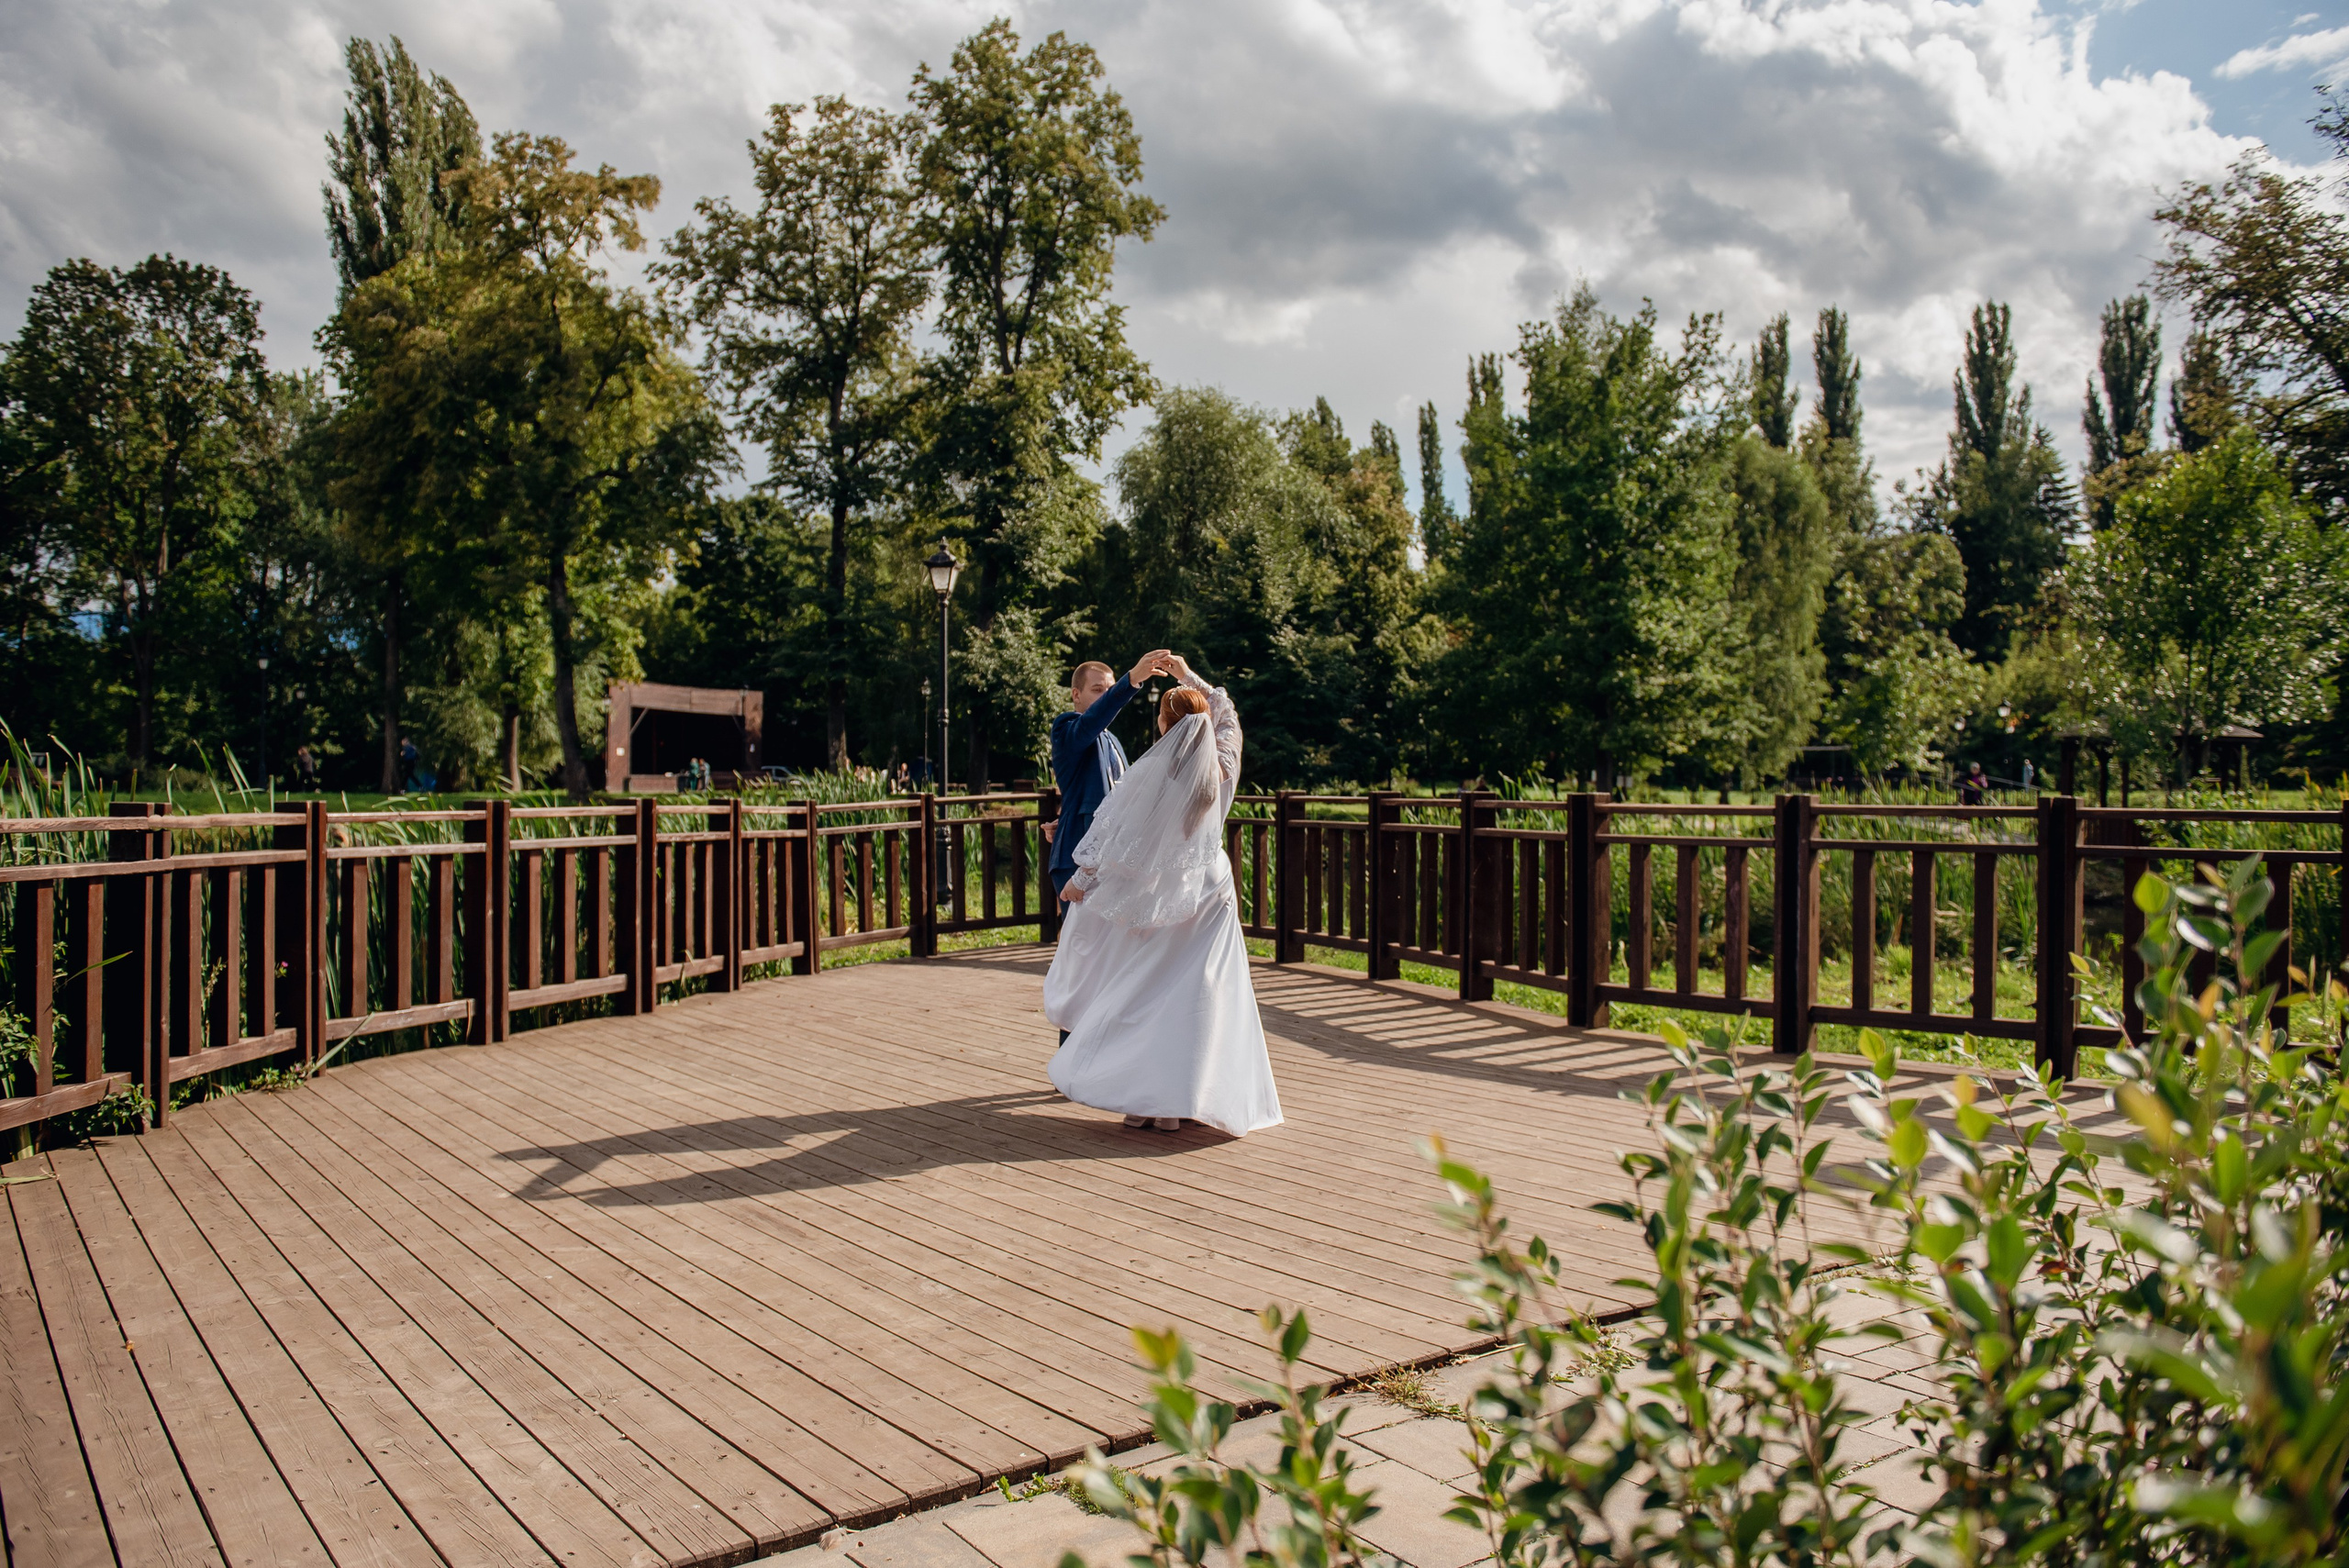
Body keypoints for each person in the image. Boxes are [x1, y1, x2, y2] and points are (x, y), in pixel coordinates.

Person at [1042, 655, 1282, 1138]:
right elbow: (1226, 709)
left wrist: (1079, 883)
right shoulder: (1224, 765)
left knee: (1151, 991)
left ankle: (1145, 1100)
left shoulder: (1151, 776)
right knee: (1200, 996)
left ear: (1167, 729)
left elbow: (1115, 840)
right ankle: (1185, 1099)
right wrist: (1189, 675)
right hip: (1210, 886)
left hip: (1164, 892)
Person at [1046, 650, 1171, 901]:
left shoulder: (1112, 740)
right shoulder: (1067, 728)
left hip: (1115, 859)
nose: (1106, 696)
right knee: (1081, 940)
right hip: (1079, 857)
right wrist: (1132, 679)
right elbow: (1090, 723)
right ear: (1076, 694)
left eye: (1110, 689)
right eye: (1097, 690)